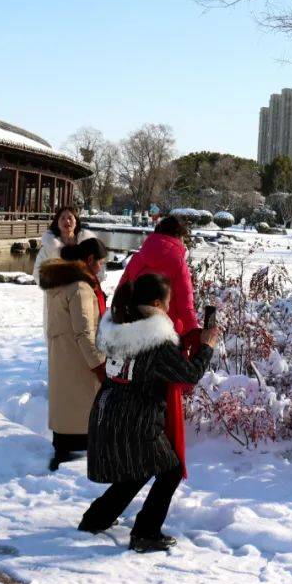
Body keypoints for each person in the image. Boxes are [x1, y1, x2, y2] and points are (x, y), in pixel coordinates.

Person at [79, 273, 220, 552]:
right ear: (157, 303)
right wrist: (207, 346)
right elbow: (189, 374)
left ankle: (97, 518)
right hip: (137, 419)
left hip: (107, 411)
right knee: (170, 470)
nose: (168, 310)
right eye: (167, 304)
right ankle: (145, 533)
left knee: (140, 467)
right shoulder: (155, 340)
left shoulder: (118, 326)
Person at [118, 215, 201, 477]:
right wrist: (197, 337)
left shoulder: (139, 257)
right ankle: (160, 459)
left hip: (135, 338)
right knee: (164, 407)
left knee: (138, 399)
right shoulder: (177, 260)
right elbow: (186, 307)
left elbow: (122, 292)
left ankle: (135, 452)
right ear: (179, 236)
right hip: (164, 338)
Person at [39, 237, 110, 471]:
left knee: (65, 410)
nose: (102, 268)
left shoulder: (61, 282)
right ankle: (71, 467)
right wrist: (100, 368)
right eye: (101, 262)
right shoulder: (80, 288)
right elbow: (83, 333)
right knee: (81, 413)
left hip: (63, 356)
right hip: (79, 360)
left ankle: (61, 455)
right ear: (90, 260)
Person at [32, 206, 97, 284]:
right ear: (57, 223)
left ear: (76, 221)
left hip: (85, 293)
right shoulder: (48, 247)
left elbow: (99, 271)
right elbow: (37, 274)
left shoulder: (88, 245)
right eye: (62, 218)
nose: (67, 221)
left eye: (70, 218)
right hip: (57, 294)